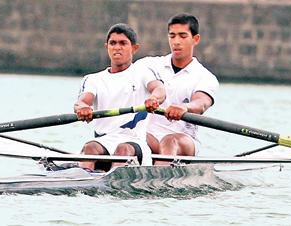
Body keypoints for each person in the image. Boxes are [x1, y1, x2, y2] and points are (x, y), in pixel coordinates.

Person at [74, 23, 166, 172]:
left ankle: (114, 185)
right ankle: (79, 181)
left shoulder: (143, 73)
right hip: (104, 141)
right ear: (107, 47)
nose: (117, 47)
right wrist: (83, 108)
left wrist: (154, 99)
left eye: (123, 43)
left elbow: (159, 89)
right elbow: (83, 101)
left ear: (134, 48)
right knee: (89, 147)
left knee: (123, 149)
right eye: (113, 43)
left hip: (134, 142)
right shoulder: (93, 79)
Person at [136, 13, 219, 165]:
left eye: (182, 36)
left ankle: (159, 182)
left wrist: (184, 107)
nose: (176, 42)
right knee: (130, 137)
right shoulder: (148, 64)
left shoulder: (205, 77)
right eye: (172, 36)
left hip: (183, 140)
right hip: (150, 138)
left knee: (170, 141)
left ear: (195, 39)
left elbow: (201, 104)